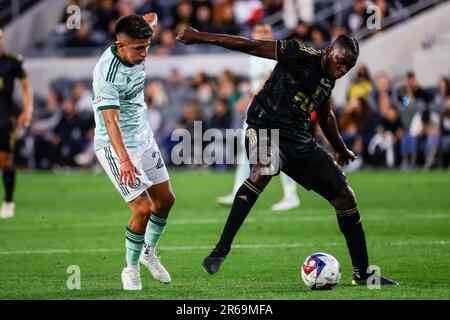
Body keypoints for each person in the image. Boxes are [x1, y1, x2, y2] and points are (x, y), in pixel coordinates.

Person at [176, 26, 398, 285]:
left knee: (345, 196)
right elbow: (248, 44)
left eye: (348, 66)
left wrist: (339, 147)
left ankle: (363, 274)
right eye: (341, 62)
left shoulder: (329, 79)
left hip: (299, 140)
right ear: (328, 52)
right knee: (265, 167)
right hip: (263, 128)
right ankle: (221, 249)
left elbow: (326, 116)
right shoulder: (298, 53)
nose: (343, 69)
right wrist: (201, 36)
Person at [92, 13, 175, 290]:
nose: (144, 53)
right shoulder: (107, 73)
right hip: (115, 146)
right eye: (138, 48)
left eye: (147, 46)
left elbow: (150, 18)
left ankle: (149, 253)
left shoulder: (139, 39)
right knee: (141, 209)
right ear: (120, 46)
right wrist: (124, 160)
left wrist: (152, 20)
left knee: (165, 201)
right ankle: (130, 269)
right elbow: (110, 120)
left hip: (143, 137)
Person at [216, 22, 300, 211]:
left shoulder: (271, 52)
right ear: (252, 33)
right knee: (247, 149)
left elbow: (270, 78)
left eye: (265, 31)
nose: (261, 35)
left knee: (276, 150)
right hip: (259, 107)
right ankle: (238, 190)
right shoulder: (254, 55)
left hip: (270, 107)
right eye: (258, 31)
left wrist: (251, 97)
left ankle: (291, 194)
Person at [0, 28, 33, 219]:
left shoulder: (13, 62)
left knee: (5, 160)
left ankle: (9, 201)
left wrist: (27, 110)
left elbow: (26, 87)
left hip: (5, 117)